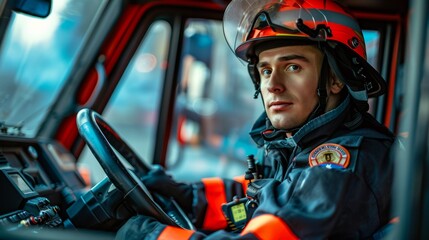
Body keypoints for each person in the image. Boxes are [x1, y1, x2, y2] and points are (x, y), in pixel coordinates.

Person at [116, 0, 397, 239]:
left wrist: (153, 235)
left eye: (292, 66)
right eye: (265, 70)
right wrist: (185, 196)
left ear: (335, 79)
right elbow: (253, 193)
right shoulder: (296, 145)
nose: (273, 84)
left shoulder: (342, 168)